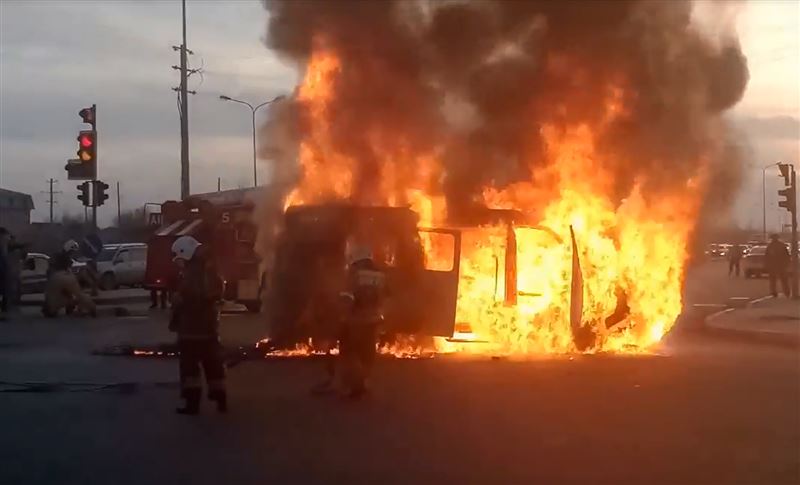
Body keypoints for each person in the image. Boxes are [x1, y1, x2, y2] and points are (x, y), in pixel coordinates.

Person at [170, 235, 226, 415]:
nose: (178, 263)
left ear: (185, 253)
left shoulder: (192, 272)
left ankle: (192, 403)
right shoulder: (210, 268)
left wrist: (178, 301)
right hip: (209, 327)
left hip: (191, 329)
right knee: (213, 363)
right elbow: (217, 291)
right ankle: (220, 398)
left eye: (179, 258)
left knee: (190, 368)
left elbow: (190, 297)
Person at [336, 245, 386, 398]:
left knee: (350, 352)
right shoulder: (379, 272)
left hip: (356, 320)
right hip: (374, 319)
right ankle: (362, 381)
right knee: (368, 353)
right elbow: (386, 294)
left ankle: (353, 383)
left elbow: (348, 295)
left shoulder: (354, 272)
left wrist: (342, 316)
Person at [42, 240, 96, 317]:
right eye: (72, 252)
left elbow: (49, 270)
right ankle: (91, 308)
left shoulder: (55, 256)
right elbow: (68, 271)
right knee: (78, 294)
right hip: (63, 277)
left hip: (54, 279)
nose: (72, 254)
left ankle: (52, 309)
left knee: (53, 296)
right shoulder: (67, 259)